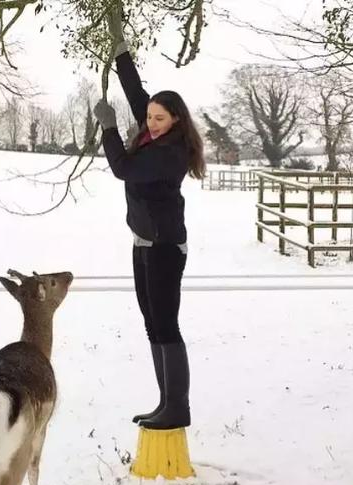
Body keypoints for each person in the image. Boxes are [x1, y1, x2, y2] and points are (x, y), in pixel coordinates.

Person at [93, 8, 206, 430]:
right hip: (144, 240)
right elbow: (136, 90)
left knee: (165, 322)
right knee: (150, 321)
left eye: (160, 118)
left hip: (163, 246)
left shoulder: (169, 151)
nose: (152, 123)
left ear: (176, 120)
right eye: (150, 117)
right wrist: (119, 45)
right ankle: (165, 402)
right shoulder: (153, 126)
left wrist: (107, 130)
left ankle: (178, 406)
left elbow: (123, 167)